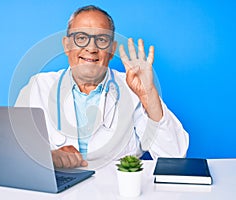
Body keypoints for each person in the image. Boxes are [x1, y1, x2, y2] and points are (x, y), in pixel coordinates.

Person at [15, 5, 189, 168]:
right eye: (81, 38)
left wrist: (148, 95)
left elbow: (174, 156)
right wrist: (49, 156)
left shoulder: (134, 87)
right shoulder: (38, 86)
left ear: (112, 50)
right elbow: (16, 155)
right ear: (66, 45)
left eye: (102, 39)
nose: (91, 48)